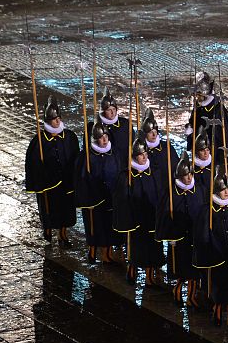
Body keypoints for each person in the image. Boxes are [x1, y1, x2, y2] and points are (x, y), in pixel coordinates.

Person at [25, 95, 78, 247]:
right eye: (54, 119)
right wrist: (40, 170)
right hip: (49, 183)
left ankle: (63, 234)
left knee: (65, 210)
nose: (57, 121)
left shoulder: (69, 137)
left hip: (66, 182)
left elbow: (74, 156)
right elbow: (33, 162)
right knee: (50, 209)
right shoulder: (39, 142)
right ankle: (48, 228)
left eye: (58, 118)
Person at [193, 168, 228, 326]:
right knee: (219, 288)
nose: (226, 192)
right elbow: (203, 235)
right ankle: (217, 313)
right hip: (217, 257)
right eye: (222, 189)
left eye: (227, 189)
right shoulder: (208, 211)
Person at [156, 152, 204, 305]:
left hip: (194, 237)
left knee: (194, 270)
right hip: (179, 239)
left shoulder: (198, 190)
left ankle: (191, 297)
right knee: (181, 269)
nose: (189, 177)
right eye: (186, 175)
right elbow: (163, 216)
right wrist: (169, 235)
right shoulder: (171, 194)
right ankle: (177, 291)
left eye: (190, 173)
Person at [74, 114, 121, 263]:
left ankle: (106, 253)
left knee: (108, 225)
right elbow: (81, 179)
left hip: (110, 197)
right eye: (101, 137)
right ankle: (92, 249)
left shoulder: (114, 154)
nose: (105, 139)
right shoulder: (86, 157)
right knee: (95, 226)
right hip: (94, 199)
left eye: (106, 135)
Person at [126, 137, 164, 286]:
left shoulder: (153, 172)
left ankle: (150, 276)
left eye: (146, 154)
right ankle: (133, 268)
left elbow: (159, 192)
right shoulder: (129, 175)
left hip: (152, 217)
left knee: (153, 248)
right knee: (138, 247)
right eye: (141, 155)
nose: (145, 157)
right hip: (137, 219)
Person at [185, 71, 228, 156]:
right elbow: (193, 122)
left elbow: (224, 135)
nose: (196, 97)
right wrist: (190, 131)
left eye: (198, 94)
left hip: (215, 150)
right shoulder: (198, 106)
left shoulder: (217, 109)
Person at [140, 107, 180, 192]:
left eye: (155, 131)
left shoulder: (167, 148)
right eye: (151, 132)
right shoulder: (140, 150)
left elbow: (176, 169)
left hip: (166, 190)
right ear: (145, 134)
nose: (154, 135)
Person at [95, 86, 132, 169]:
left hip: (123, 167)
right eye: (109, 110)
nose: (112, 112)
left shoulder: (125, 125)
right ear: (103, 111)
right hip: (106, 167)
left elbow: (132, 145)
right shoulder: (96, 127)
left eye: (114, 109)